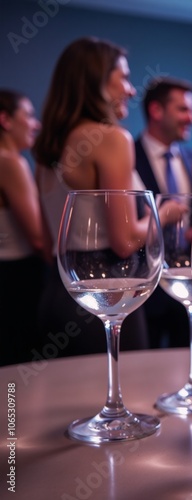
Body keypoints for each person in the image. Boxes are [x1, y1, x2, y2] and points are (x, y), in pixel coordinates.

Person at [32, 37, 153, 359]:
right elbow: (124, 242)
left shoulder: (46, 148)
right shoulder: (111, 138)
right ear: (98, 82)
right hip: (110, 294)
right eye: (124, 78)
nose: (131, 89)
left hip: (59, 293)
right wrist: (164, 216)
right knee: (124, 399)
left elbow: (48, 245)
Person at [135, 76, 192, 348]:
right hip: (145, 288)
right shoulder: (127, 157)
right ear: (156, 111)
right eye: (183, 109)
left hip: (189, 284)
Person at [0, 90, 45, 365]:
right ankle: (13, 410)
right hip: (16, 279)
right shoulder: (10, 162)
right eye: (28, 115)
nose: (36, 123)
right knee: (17, 367)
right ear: (4, 119)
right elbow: (39, 237)